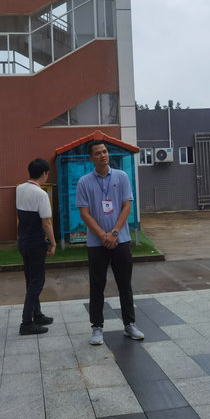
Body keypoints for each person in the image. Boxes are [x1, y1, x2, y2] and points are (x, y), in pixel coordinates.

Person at [76, 140, 143, 346]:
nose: (103, 155)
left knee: (125, 284)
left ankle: (129, 324)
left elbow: (126, 206)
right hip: (96, 244)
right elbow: (84, 213)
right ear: (91, 158)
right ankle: (97, 327)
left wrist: (114, 233)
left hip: (120, 240)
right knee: (97, 286)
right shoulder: (84, 182)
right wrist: (102, 235)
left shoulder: (121, 177)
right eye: (97, 153)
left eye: (105, 151)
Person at [16, 158, 57, 335]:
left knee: (30, 280)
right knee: (37, 282)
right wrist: (53, 243)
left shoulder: (20, 188)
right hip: (35, 242)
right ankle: (26, 322)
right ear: (44, 174)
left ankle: (37, 314)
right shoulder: (41, 194)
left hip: (23, 241)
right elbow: (46, 222)